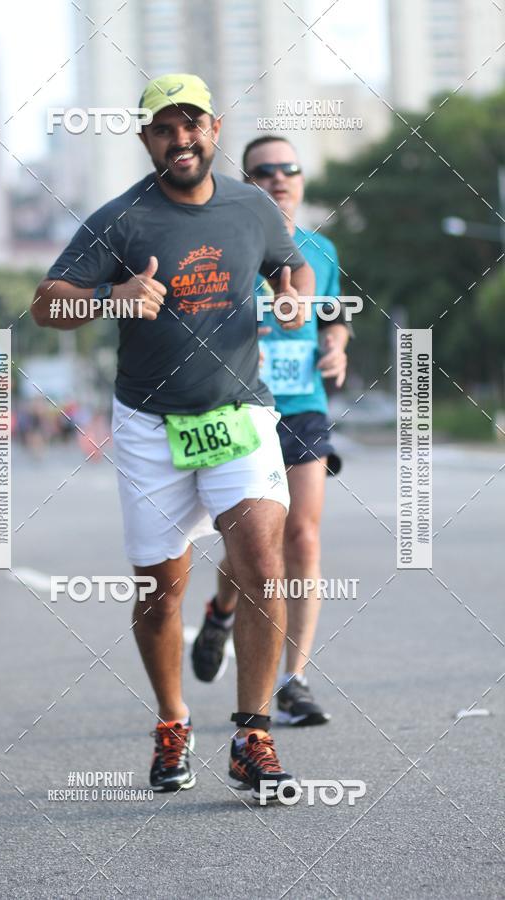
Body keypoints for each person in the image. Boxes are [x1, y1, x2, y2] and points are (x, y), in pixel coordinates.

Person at [32, 74, 317, 800]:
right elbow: (45, 304)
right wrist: (112, 297)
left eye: (192, 124)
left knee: (260, 557)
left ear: (214, 128)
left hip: (241, 414)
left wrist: (292, 291)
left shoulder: (252, 205)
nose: (181, 138)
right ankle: (172, 721)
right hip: (151, 426)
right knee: (162, 591)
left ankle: (253, 736)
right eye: (164, 127)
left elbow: (290, 260)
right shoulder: (120, 220)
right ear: (145, 138)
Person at [191, 135, 350, 727]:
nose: (280, 178)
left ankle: (294, 679)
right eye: (265, 171)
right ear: (246, 182)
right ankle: (222, 610)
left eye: (290, 169)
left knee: (302, 538)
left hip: (303, 404)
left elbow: (334, 320)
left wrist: (335, 346)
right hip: (240, 407)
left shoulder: (321, 250)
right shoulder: (222, 244)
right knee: (256, 545)